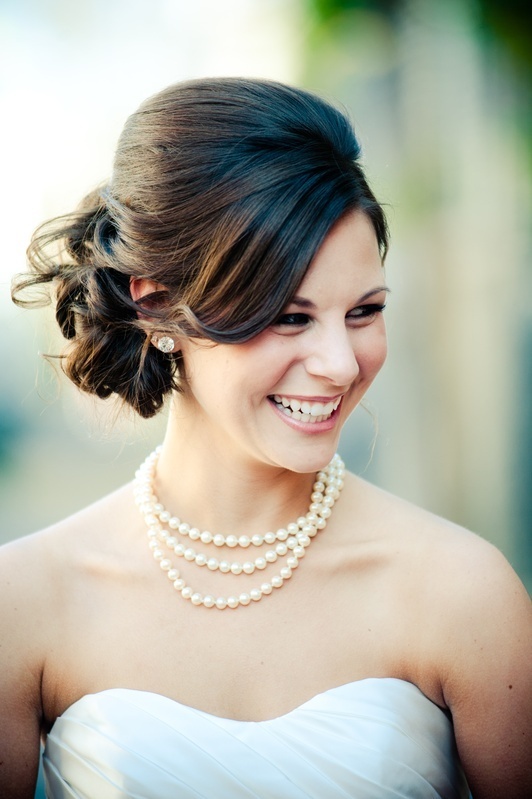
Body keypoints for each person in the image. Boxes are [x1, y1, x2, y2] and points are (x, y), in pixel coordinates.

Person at [1, 77, 530, 799]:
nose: (341, 364)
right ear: (156, 305)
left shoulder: (464, 593)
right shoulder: (28, 600)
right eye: (289, 316)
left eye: (365, 310)